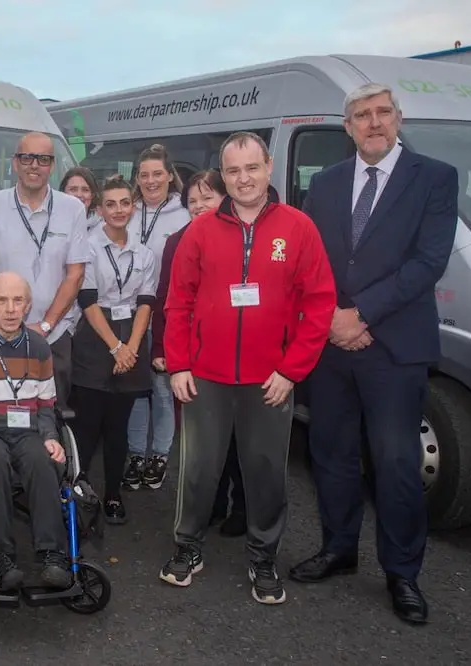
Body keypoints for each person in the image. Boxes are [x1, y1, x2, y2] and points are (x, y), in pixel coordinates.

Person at [289, 83, 458, 626]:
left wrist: (358, 315)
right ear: (348, 127)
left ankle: (402, 572)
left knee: (396, 463)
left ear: (398, 118)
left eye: (383, 112)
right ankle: (339, 549)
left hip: (395, 347)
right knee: (331, 455)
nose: (374, 122)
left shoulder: (434, 177)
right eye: (362, 115)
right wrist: (335, 319)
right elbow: (313, 260)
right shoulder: (327, 182)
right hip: (333, 347)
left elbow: (428, 262)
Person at [160, 131, 336, 605]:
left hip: (270, 380)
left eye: (252, 168)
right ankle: (188, 548)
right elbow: (179, 303)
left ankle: (263, 557)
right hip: (206, 377)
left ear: (269, 167)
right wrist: (179, 365)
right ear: (224, 175)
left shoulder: (298, 228)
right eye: (233, 171)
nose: (244, 179)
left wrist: (291, 370)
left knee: (264, 473)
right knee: (198, 471)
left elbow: (320, 306)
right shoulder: (198, 231)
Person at [0, 271, 71, 591]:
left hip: (28, 430)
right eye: (2, 300)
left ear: (28, 306)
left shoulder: (40, 348)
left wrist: (50, 437)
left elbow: (47, 404)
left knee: (42, 463)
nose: (9, 308)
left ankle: (51, 554)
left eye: (17, 300)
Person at [153, 169, 247, 537]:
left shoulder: (245, 236)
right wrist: (163, 350)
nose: (199, 206)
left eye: (207, 197)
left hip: (238, 353)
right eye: (191, 200)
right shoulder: (178, 241)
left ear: (225, 198)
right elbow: (165, 298)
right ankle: (208, 506)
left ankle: (242, 508)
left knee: (240, 439)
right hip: (194, 354)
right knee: (204, 439)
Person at [0, 132, 91, 408]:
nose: (34, 165)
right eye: (27, 157)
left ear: (52, 165)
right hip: (0, 333)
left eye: (43, 159)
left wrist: (46, 325)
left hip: (54, 335)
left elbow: (76, 274)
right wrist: (3, 318)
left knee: (51, 418)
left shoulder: (72, 209)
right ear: (15, 163)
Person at [70, 177, 158, 524]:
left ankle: (112, 495)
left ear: (132, 207)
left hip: (131, 336)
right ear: (100, 209)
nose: (118, 210)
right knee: (88, 424)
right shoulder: (88, 247)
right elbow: (88, 301)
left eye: (124, 203)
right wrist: (116, 346)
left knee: (118, 426)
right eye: (111, 204)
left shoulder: (144, 252)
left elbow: (146, 301)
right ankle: (80, 492)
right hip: (96, 336)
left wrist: (132, 348)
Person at [124, 144, 190, 492]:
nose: (150, 181)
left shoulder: (185, 212)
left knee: (163, 390)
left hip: (166, 317)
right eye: (144, 175)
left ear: (169, 175)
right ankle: (136, 452)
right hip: (131, 316)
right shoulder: (128, 210)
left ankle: (160, 454)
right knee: (136, 389)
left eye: (157, 174)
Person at [60, 166, 103, 231]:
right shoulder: (51, 224)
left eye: (85, 190)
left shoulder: (103, 230)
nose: (79, 195)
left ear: (92, 195)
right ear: (63, 192)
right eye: (73, 189)